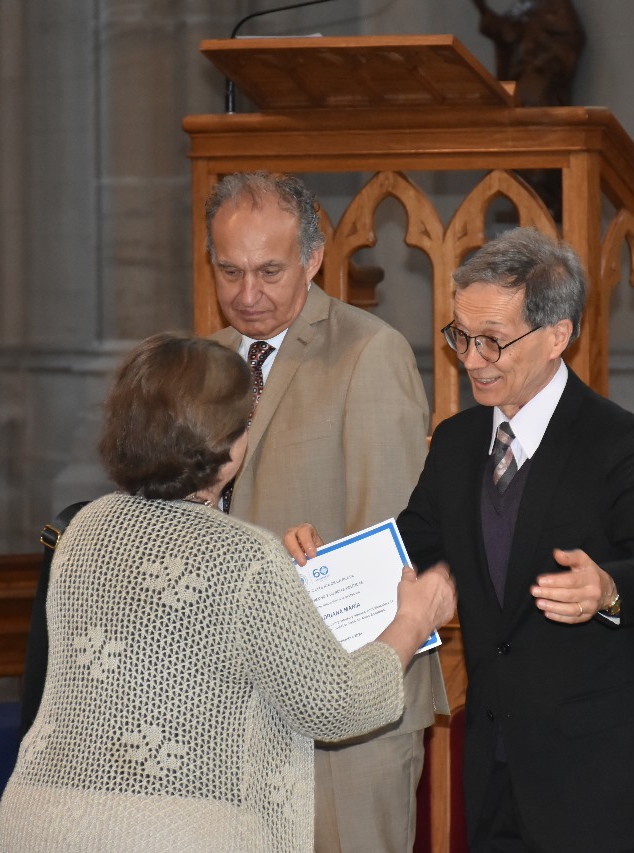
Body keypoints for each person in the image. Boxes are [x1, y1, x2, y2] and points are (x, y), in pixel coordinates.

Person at [287, 228, 634, 852]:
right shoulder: (456, 443)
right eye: (461, 337)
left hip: (596, 778)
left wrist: (609, 588)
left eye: (492, 341)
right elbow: (409, 550)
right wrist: (321, 560)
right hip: (493, 765)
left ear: (558, 335)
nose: (471, 359)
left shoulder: (616, 442)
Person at [0, 333, 454, 852]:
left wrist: (277, 573)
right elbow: (335, 706)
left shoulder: (86, 528)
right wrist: (413, 621)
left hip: (46, 820)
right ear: (229, 444)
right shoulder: (244, 558)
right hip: (172, 834)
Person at [204, 171, 445, 852]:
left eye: (269, 271)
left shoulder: (368, 353)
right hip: (235, 704)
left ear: (311, 260)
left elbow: (388, 549)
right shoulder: (207, 363)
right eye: (230, 271)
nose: (247, 294)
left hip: (349, 714)